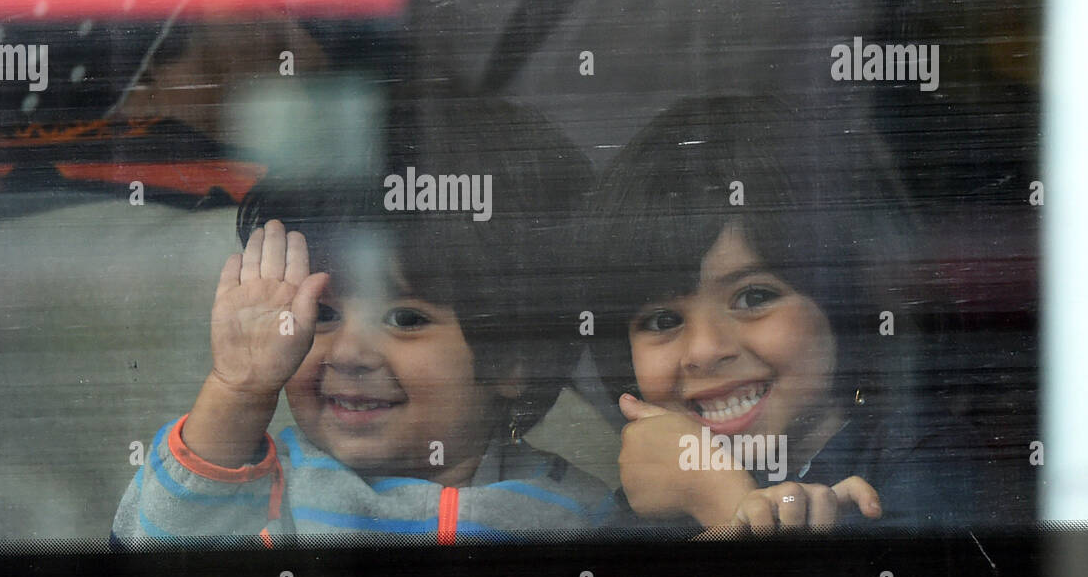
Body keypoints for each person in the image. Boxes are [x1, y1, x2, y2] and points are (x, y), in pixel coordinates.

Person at [113, 93, 633, 545]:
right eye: (323, 313)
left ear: (517, 358)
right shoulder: (258, 488)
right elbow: (155, 554)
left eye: (405, 317)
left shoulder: (577, 515)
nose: (350, 354)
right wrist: (239, 391)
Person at [587, 92, 990, 531]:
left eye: (753, 297)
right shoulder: (648, 500)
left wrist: (720, 498)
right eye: (664, 321)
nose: (703, 351)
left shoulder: (924, 458)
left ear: (844, 302)